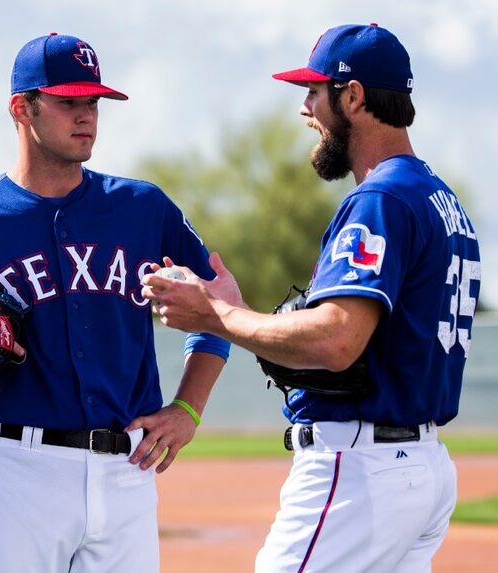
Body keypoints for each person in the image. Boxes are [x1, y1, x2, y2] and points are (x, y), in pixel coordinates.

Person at [143, 23, 481, 572]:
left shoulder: (382, 198)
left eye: (314, 91)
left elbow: (338, 340)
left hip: (361, 470)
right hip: (417, 465)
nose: (305, 108)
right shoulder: (439, 197)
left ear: (354, 96)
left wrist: (219, 315)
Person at [0, 33, 230, 572]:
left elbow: (221, 307)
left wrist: (189, 408)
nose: (86, 115)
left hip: (127, 471)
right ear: (21, 108)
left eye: (92, 101)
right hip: (18, 473)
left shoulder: (143, 208)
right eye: (68, 101)